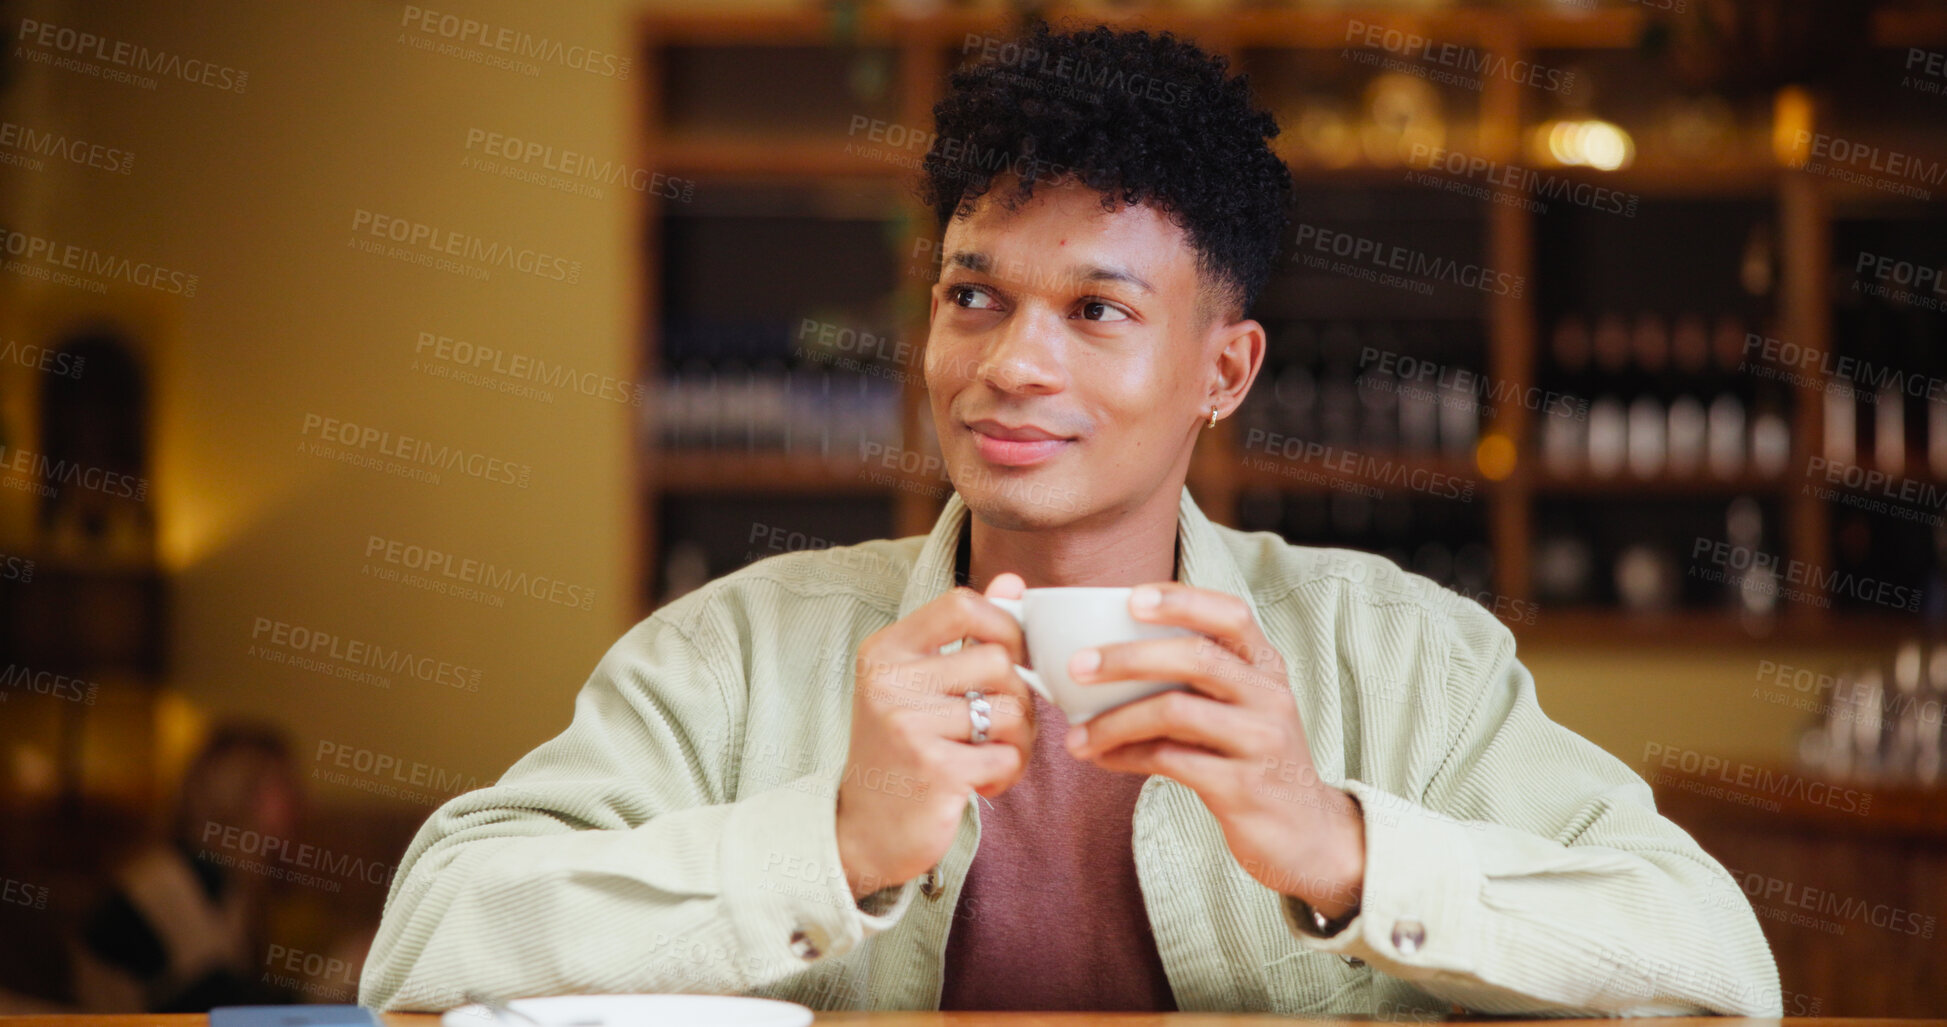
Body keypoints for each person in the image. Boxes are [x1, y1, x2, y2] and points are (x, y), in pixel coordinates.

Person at [361, 23, 1780, 1015]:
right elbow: (425, 937)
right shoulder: (736, 649)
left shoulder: (1401, 655)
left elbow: (1715, 960)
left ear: (1221, 369)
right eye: (972, 294)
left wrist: (1338, 841)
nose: (1008, 364)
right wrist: (835, 843)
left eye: (1095, 309)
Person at [71, 724, 301, 1011]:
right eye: (282, 786)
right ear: (240, 794)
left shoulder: (224, 877)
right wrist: (331, 981)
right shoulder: (171, 879)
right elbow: (216, 1004)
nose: (296, 799)